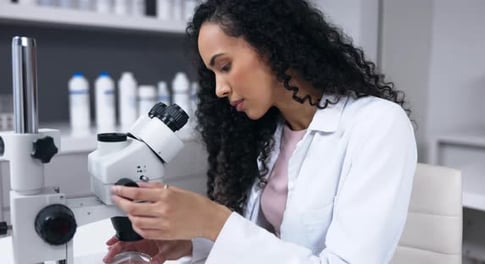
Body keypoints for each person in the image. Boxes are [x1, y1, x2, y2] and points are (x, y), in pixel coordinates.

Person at [104, 0, 417, 263]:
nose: (219, 89)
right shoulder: (271, 131)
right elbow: (265, 243)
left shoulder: (377, 124)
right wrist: (191, 243)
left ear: (271, 46)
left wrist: (213, 220)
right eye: (212, 73)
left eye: (224, 66)